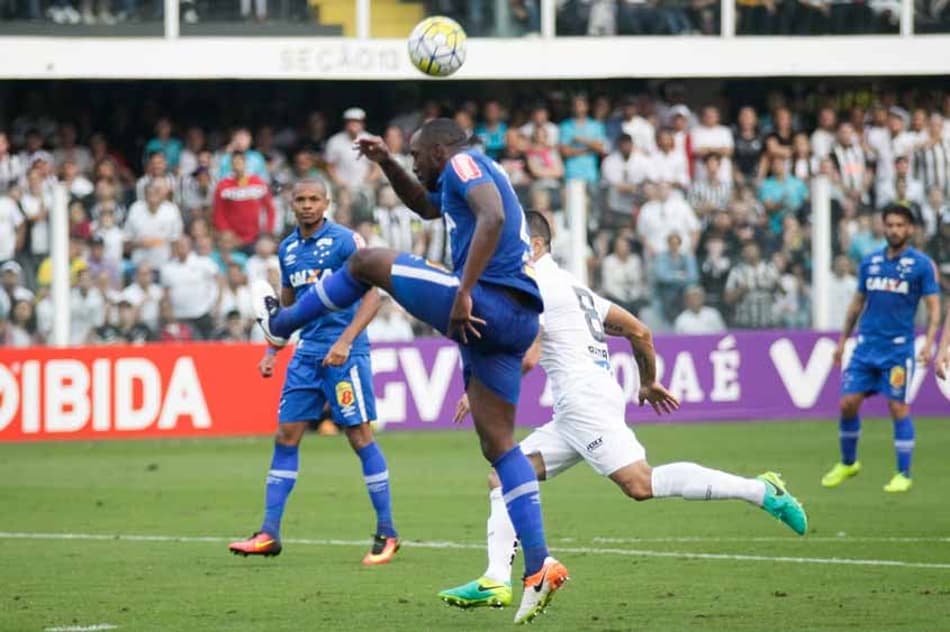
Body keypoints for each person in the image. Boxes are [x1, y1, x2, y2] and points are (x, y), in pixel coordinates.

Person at [254, 119, 564, 625]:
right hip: (516, 320)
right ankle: (539, 565)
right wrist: (385, 161)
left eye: (417, 155)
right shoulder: (472, 172)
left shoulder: (466, 161)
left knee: (367, 262)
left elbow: (487, 218)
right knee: (501, 446)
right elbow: (424, 205)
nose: (415, 162)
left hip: (485, 300)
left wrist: (463, 290)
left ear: (440, 150)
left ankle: (280, 324)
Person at [436, 212, 806, 610]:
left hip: (585, 404)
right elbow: (639, 331)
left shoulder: (538, 285)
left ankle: (760, 490)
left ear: (538, 245)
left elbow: (528, 357)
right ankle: (495, 579)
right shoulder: (574, 286)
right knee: (503, 477)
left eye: (515, 241)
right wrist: (648, 381)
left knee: (640, 484)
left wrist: (480, 392)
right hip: (581, 403)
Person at [229, 179, 400, 567]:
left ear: (327, 202)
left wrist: (345, 341)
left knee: (359, 436)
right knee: (286, 435)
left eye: (314, 199)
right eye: (300, 200)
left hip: (346, 353)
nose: (307, 206)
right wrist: (273, 348)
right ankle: (269, 533)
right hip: (307, 353)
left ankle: (387, 531)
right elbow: (289, 307)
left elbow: (373, 296)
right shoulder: (289, 248)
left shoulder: (346, 241)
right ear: (292, 205)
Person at [822, 204, 941, 493]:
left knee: (897, 406)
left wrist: (929, 342)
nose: (895, 230)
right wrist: (841, 342)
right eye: (890, 225)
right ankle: (848, 462)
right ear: (883, 227)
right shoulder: (870, 262)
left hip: (897, 351)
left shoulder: (921, 265)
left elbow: (934, 308)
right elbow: (856, 304)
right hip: (865, 348)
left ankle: (903, 473)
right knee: (847, 403)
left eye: (900, 225)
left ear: (910, 229)